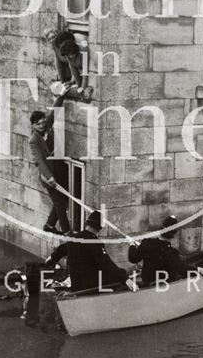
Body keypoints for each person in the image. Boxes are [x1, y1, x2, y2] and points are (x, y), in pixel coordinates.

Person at [45, 210, 138, 293]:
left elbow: (62, 249)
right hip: (91, 284)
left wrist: (51, 258)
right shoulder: (95, 242)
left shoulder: (73, 239)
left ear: (87, 224)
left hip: (77, 284)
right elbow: (106, 263)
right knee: (117, 279)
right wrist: (125, 278)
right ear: (98, 229)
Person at [29, 84, 71, 234]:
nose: (41, 126)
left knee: (62, 201)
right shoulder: (33, 140)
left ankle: (49, 226)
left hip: (58, 168)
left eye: (42, 123)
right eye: (38, 124)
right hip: (47, 175)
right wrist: (49, 177)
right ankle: (67, 232)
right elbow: (39, 160)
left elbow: (55, 111)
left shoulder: (47, 125)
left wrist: (62, 94)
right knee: (59, 204)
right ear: (33, 126)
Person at [128, 215, 201, 286]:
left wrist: (132, 244)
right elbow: (182, 269)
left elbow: (133, 258)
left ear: (161, 230)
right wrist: (199, 270)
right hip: (164, 286)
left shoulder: (146, 243)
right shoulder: (172, 253)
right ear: (174, 235)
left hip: (148, 282)